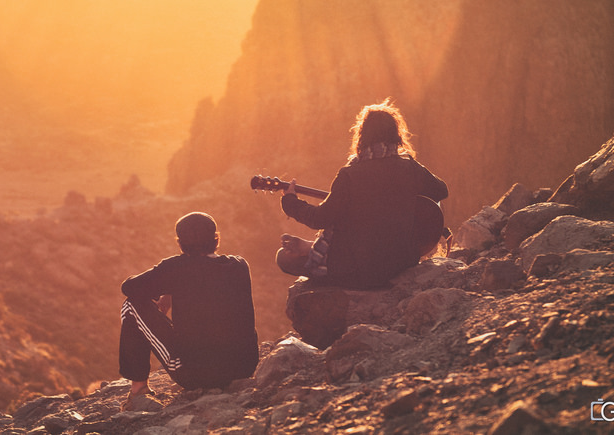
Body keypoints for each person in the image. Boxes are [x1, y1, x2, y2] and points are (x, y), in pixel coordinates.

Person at [276, 98, 448, 289]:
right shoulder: (410, 168)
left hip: (360, 271)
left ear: (362, 136)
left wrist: (291, 202)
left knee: (283, 258)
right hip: (401, 263)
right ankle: (310, 247)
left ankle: (312, 248)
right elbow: (441, 190)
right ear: (396, 135)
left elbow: (320, 219)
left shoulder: (350, 175)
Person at [118, 212, 259, 411]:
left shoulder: (176, 268)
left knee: (131, 305)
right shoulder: (239, 265)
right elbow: (206, 281)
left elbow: (129, 288)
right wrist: (170, 288)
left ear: (180, 243)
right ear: (216, 239)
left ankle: (138, 390)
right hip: (244, 367)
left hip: (197, 374)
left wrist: (166, 286)